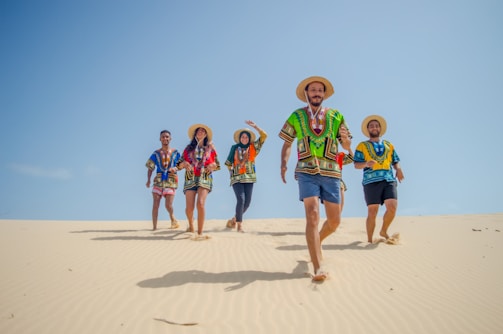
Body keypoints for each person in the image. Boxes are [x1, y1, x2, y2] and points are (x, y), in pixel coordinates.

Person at [279, 76, 352, 281]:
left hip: (331, 172)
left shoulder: (337, 116)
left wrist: (346, 141)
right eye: (313, 90)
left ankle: (317, 241)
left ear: (324, 94)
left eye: (320, 90)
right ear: (306, 93)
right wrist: (283, 163)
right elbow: (287, 143)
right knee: (312, 214)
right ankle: (318, 267)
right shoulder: (296, 116)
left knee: (335, 221)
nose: (317, 93)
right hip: (306, 170)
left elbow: (346, 147)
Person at [353, 115, 405, 244]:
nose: (374, 128)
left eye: (376, 126)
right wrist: (366, 164)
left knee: (392, 207)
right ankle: (370, 240)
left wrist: (398, 169)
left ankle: (383, 230)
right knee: (372, 211)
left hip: (388, 179)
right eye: (371, 126)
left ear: (380, 128)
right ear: (368, 129)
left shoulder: (389, 145)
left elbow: (395, 160)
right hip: (370, 181)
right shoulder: (362, 146)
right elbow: (356, 165)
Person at [177, 124, 220, 240]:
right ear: (195, 134)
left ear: (206, 134)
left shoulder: (211, 148)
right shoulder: (188, 149)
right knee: (189, 209)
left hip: (204, 177)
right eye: (198, 131)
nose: (200, 132)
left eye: (203, 131)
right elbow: (178, 164)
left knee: (200, 204)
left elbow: (218, 165)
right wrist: (184, 164)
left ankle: (200, 233)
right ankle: (191, 225)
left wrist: (213, 165)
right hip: (190, 178)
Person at [224, 120, 267, 232]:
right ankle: (239, 225)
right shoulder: (234, 148)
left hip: (249, 177)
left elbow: (264, 136)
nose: (244, 139)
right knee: (241, 199)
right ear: (239, 138)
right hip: (236, 178)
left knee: (247, 203)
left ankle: (234, 220)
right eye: (242, 137)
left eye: (246, 137)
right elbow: (228, 162)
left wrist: (256, 127)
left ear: (249, 138)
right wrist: (231, 171)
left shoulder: (253, 148)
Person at [145, 130, 181, 231]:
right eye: (163, 137)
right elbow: (150, 167)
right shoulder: (156, 153)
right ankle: (154, 227)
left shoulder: (175, 152)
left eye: (167, 137)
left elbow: (181, 164)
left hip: (171, 180)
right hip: (158, 179)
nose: (165, 138)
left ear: (170, 138)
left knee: (168, 205)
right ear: (160, 139)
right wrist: (148, 180)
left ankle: (172, 217)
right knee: (155, 203)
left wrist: (176, 168)